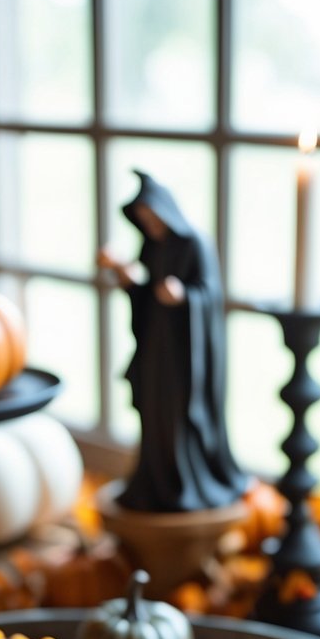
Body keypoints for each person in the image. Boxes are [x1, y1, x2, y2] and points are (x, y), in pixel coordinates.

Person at [98, 171, 248, 514]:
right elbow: (147, 296)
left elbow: (209, 294)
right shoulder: (152, 245)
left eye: (153, 218)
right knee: (155, 416)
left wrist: (184, 297)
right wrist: (127, 280)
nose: (149, 225)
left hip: (185, 354)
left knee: (180, 418)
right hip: (156, 350)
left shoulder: (195, 243)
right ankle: (158, 482)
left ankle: (189, 483)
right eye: (143, 220)